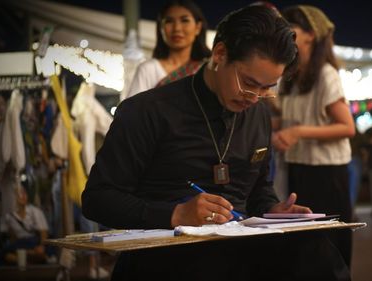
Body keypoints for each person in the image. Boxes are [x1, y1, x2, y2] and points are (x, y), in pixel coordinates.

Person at [82, 6, 351, 281]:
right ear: (220, 54)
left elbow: (258, 189)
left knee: (317, 250)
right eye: (249, 83)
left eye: (267, 88)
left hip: (239, 249)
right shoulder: (147, 111)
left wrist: (272, 211)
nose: (255, 97)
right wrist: (175, 214)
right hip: (168, 255)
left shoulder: (257, 113)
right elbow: (97, 199)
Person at [273, 5, 355, 267]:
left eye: (291, 29)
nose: (285, 34)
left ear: (311, 35)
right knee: (303, 251)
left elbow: (347, 127)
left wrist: (298, 132)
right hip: (298, 169)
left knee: (329, 251)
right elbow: (286, 119)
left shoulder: (326, 75)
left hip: (327, 173)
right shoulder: (289, 77)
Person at [124, 0, 211, 99]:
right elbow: (134, 111)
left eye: (184, 20)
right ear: (161, 28)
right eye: (169, 21)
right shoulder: (148, 69)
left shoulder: (207, 69)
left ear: (198, 27)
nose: (177, 28)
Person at [2, 186, 55, 265]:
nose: (23, 196)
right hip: (20, 244)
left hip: (34, 242)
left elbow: (43, 233)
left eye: (24, 193)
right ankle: (27, 260)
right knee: (7, 255)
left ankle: (29, 259)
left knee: (40, 253)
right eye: (19, 194)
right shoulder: (9, 216)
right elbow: (11, 236)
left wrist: (41, 246)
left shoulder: (35, 211)